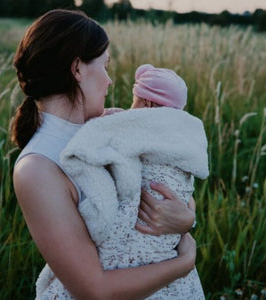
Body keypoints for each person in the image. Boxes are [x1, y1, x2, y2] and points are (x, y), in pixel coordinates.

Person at [11, 9, 198, 300]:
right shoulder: (38, 168)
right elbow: (93, 289)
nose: (110, 81)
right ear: (77, 69)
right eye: (105, 66)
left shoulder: (109, 127)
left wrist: (186, 219)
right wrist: (184, 263)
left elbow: (165, 180)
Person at [60, 64, 209, 299]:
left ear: (147, 105)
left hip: (136, 234)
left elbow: (108, 134)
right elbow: (184, 189)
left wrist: (111, 118)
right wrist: (189, 217)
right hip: (169, 242)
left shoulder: (134, 126)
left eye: (134, 102)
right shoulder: (186, 134)